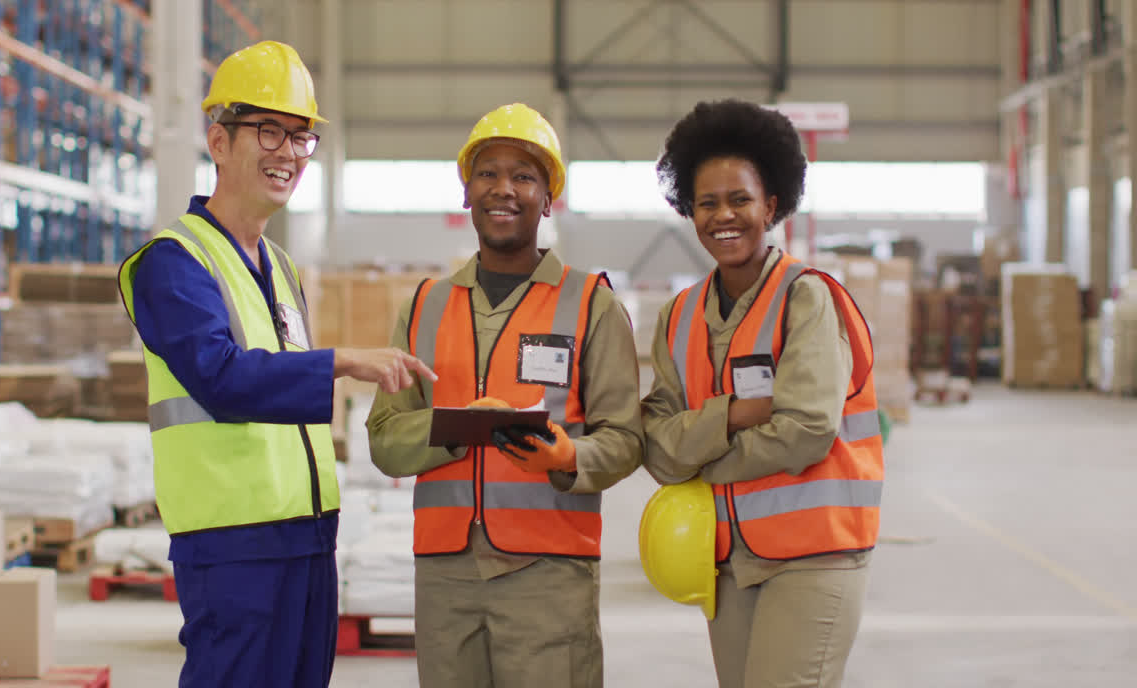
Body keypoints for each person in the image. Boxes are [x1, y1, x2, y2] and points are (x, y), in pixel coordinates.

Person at [116, 40, 435, 688]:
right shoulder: (174, 263)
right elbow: (222, 378)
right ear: (219, 140)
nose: (288, 151)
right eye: (268, 130)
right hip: (233, 545)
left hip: (308, 534)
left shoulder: (280, 268)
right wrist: (341, 361)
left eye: (301, 137)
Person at [365, 103, 644, 688]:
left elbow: (624, 437)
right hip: (446, 576)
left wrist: (568, 457)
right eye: (488, 173)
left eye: (524, 176)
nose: (504, 189)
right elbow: (386, 440)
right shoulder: (424, 305)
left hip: (548, 572)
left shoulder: (590, 304)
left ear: (548, 197)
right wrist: (458, 429)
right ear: (467, 192)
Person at [640, 99, 884, 688]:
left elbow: (806, 431)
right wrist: (736, 414)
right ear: (689, 212)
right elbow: (656, 447)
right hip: (727, 562)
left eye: (740, 199)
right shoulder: (679, 316)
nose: (724, 215)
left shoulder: (807, 300)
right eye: (707, 203)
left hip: (816, 556)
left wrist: (701, 452)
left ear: (770, 205)